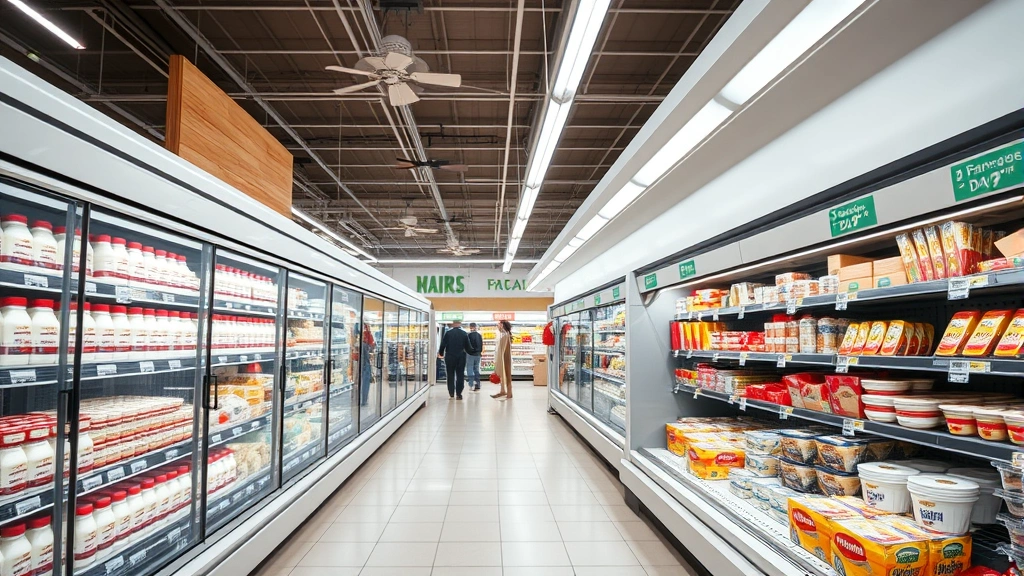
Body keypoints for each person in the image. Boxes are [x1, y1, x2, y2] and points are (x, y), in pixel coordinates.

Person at [437, 319, 472, 399]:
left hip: (450, 356)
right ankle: (459, 393)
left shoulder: (448, 333)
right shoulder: (464, 334)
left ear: (453, 324)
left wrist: (441, 353)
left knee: (450, 374)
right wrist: (474, 352)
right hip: (461, 357)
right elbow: (468, 347)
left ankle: (451, 392)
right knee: (460, 375)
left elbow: (443, 344)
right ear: (459, 324)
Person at [491, 320, 513, 399]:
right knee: (503, 375)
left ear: (502, 325)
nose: (497, 326)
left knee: (506, 374)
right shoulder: (503, 334)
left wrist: (498, 360)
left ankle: (509, 393)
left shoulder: (505, 335)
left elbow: (501, 349)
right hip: (502, 357)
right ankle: (503, 391)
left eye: (499, 325)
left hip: (505, 358)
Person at [360, 323, 375, 406]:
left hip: (364, 365)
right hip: (365, 365)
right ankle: (364, 400)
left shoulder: (364, 342)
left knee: (364, 383)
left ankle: (363, 400)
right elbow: (371, 348)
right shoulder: (365, 343)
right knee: (365, 383)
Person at [466, 322, 483, 391]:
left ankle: (471, 384)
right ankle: (477, 383)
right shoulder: (479, 335)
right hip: (478, 354)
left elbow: (467, 345)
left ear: (470, 327)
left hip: (470, 354)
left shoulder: (468, 335)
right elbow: (481, 344)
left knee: (469, 368)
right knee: (476, 369)